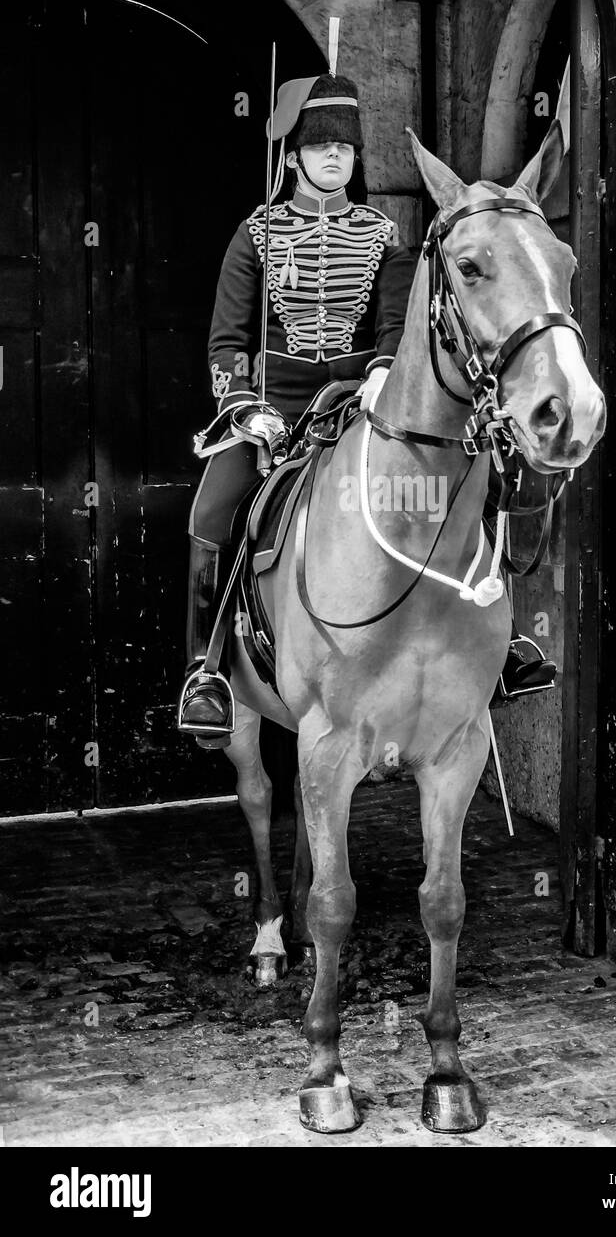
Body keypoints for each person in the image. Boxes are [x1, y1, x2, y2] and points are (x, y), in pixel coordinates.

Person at [177, 65, 555, 746]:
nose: (333, 158)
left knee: (473, 485)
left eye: (344, 149)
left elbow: (392, 324)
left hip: (363, 398)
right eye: (321, 146)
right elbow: (228, 341)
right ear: (292, 154)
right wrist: (244, 405)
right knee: (211, 508)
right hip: (275, 405)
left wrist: (382, 372)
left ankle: (502, 644)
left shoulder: (381, 234)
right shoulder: (256, 235)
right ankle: (204, 669)